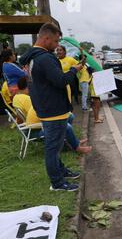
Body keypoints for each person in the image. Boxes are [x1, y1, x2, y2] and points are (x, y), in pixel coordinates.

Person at [20, 23, 84, 192]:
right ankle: (57, 183)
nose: (57, 46)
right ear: (46, 38)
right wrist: (73, 70)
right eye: (55, 41)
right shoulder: (45, 58)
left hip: (45, 107)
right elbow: (61, 80)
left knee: (55, 145)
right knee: (53, 148)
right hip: (53, 110)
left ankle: (61, 171)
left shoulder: (31, 58)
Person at [13, 77, 91, 154]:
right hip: (34, 131)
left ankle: (68, 142)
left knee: (70, 116)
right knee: (66, 127)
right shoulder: (45, 100)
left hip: (37, 126)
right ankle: (77, 147)